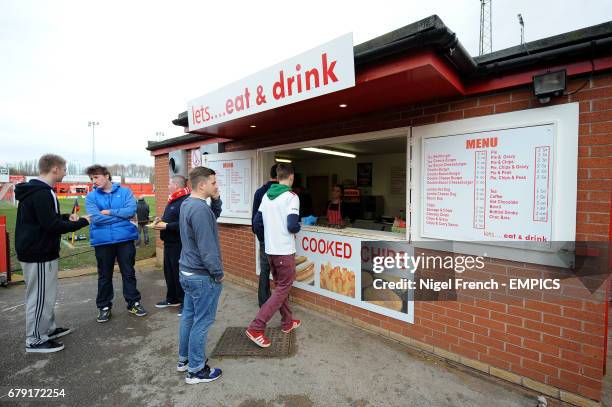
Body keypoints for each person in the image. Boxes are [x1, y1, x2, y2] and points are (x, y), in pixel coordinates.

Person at [15, 154, 90, 353]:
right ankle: (35, 340)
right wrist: (82, 222)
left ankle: (47, 329)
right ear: (55, 169)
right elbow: (51, 225)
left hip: (42, 251)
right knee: (39, 297)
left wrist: (67, 216)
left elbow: (47, 218)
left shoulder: (42, 191)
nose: (65, 173)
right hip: (37, 252)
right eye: (64, 169)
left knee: (47, 295)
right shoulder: (41, 192)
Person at [177, 166, 223, 384]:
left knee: (189, 316)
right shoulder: (199, 210)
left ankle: (184, 360)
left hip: (187, 271)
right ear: (202, 184)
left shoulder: (189, 204)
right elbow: (207, 248)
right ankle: (196, 370)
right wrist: (218, 272)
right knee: (202, 321)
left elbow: (212, 217)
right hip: (201, 275)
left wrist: (216, 199)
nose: (216, 186)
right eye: (213, 183)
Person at [247, 163, 301, 348]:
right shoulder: (291, 197)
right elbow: (293, 225)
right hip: (284, 251)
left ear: (278, 177)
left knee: (280, 287)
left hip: (270, 250)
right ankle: (256, 327)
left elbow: (257, 222)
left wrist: (268, 239)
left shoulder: (266, 197)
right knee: (282, 289)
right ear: (291, 177)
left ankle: (288, 322)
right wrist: (299, 227)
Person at [85, 165, 147, 323]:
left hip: (125, 240)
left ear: (106, 176)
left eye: (97, 177)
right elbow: (96, 218)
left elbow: (131, 212)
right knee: (105, 275)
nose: (94, 181)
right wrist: (121, 217)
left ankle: (133, 303)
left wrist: (110, 212)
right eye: (92, 178)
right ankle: (104, 307)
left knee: (128, 272)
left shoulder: (125, 192)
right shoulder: (91, 197)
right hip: (102, 242)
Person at [153, 175, 190, 315]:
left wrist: (166, 226)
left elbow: (184, 224)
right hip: (168, 243)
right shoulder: (173, 199)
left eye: (169, 183)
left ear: (176, 185)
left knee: (178, 273)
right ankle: (172, 298)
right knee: (169, 272)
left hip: (178, 244)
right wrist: (161, 220)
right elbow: (171, 218)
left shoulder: (185, 200)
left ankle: (185, 303)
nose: (167, 186)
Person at [251, 164, 277, 307]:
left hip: (264, 236)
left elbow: (254, 218)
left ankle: (263, 301)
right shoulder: (283, 193)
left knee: (265, 269)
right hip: (278, 237)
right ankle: (280, 302)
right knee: (280, 270)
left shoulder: (259, 191)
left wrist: (260, 236)